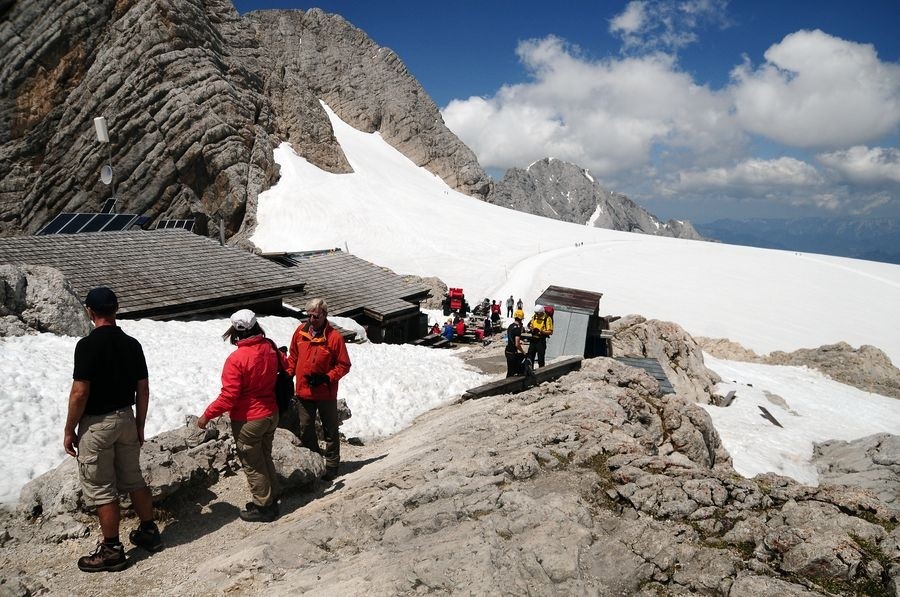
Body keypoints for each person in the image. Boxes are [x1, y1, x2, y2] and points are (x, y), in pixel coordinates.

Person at [64, 287, 161, 573]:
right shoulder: (132, 344)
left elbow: (80, 393)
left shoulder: (86, 346)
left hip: (97, 424)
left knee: (102, 488)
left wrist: (70, 429)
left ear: (90, 312)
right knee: (134, 479)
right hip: (126, 418)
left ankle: (112, 551)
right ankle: (148, 531)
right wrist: (140, 424)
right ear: (116, 310)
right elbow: (142, 389)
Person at [198, 309, 284, 523]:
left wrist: (206, 416)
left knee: (253, 464)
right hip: (271, 413)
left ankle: (264, 508)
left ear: (235, 331)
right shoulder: (270, 347)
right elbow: (288, 366)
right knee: (265, 457)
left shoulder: (236, 359)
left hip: (249, 419)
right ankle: (270, 497)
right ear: (256, 326)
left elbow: (229, 397)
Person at [287, 298, 352, 481]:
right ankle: (315, 459)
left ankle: (332, 465)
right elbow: (293, 357)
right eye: (308, 315)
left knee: (330, 429)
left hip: (326, 392)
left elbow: (344, 365)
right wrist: (288, 374)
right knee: (306, 427)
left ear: (324, 315)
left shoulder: (334, 337)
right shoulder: (300, 332)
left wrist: (326, 378)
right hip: (303, 391)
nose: (311, 319)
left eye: (315, 316)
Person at [527, 304, 554, 368]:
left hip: (541, 341)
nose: (536, 314)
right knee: (530, 357)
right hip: (533, 340)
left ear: (541, 312)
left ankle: (541, 372)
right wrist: (531, 328)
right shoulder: (534, 317)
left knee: (541, 359)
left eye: (537, 313)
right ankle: (530, 372)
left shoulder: (547, 319)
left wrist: (542, 332)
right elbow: (530, 324)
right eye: (535, 313)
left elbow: (550, 332)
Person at [504, 311, 526, 377]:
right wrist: (523, 352)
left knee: (510, 371)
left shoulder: (510, 326)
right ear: (521, 319)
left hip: (508, 350)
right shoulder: (517, 329)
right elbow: (517, 344)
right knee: (511, 372)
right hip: (512, 352)